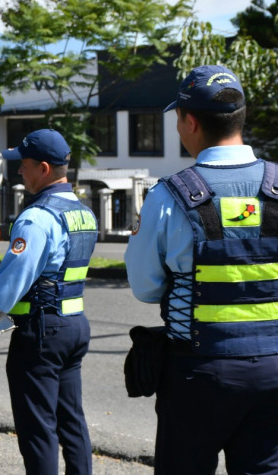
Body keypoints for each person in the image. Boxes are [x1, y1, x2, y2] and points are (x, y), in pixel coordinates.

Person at [124, 65, 278, 474]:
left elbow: (145, 287)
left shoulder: (167, 196)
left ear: (190, 122)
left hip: (198, 372)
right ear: (240, 117)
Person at [0, 129, 97, 475]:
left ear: (44, 168)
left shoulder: (37, 218)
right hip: (74, 326)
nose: (19, 170)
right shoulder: (84, 214)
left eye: (24, 164)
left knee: (38, 430)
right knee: (71, 422)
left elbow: (12, 281)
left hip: (41, 334)